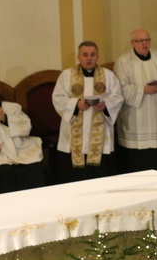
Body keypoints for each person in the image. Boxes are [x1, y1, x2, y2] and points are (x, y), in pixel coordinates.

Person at [52, 40, 123, 182]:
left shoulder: (108, 76)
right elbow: (58, 97)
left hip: (100, 129)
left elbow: (117, 97)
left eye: (92, 54)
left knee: (100, 177)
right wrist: (77, 104)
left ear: (97, 57)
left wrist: (105, 105)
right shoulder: (67, 75)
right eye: (85, 54)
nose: (89, 58)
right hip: (74, 131)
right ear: (79, 57)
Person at [114, 28, 157, 174]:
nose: (145, 44)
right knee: (141, 161)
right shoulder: (123, 62)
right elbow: (120, 89)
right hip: (138, 118)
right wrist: (143, 90)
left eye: (147, 40)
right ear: (133, 43)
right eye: (140, 41)